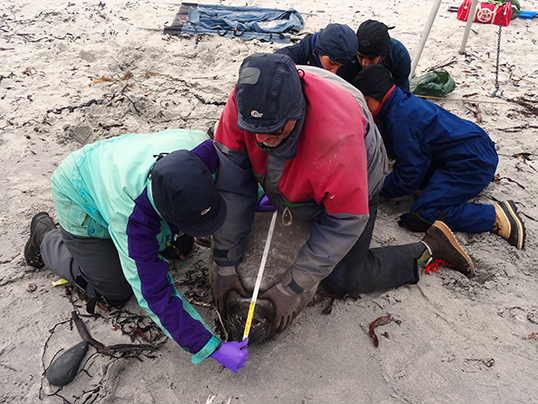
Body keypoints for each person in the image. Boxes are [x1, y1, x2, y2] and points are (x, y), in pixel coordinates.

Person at [210, 53, 474, 334]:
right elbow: (231, 184)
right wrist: (225, 262)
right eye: (254, 130)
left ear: (295, 112)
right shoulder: (245, 101)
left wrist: (293, 287)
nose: (260, 139)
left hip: (358, 177)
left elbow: (344, 221)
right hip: (299, 165)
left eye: (272, 130)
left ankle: (430, 248)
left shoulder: (338, 138)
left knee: (343, 280)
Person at [24, 129, 249, 373]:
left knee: (182, 246)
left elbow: (238, 184)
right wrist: (210, 347)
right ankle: (45, 238)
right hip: (79, 191)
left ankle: (169, 234)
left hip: (117, 160)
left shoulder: (205, 150)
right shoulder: (130, 217)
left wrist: (260, 198)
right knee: (116, 291)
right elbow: (154, 294)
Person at [353, 64, 525, 250]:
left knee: (425, 213)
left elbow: (408, 176)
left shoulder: (401, 118)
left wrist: (373, 189)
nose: (365, 112)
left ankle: (496, 216)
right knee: (415, 178)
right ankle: (469, 184)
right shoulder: (401, 103)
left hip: (472, 161)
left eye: (364, 103)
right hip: (468, 150)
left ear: (370, 98)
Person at [338, 19, 411, 92]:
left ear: (383, 54)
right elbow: (339, 89)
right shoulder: (347, 52)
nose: (364, 64)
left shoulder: (399, 56)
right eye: (360, 56)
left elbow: (402, 93)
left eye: (371, 58)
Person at [274, 23, 358, 74]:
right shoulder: (284, 64)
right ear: (318, 50)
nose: (334, 72)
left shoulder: (345, 59)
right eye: (332, 63)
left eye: (340, 66)